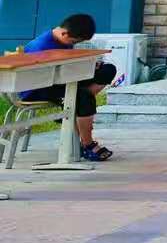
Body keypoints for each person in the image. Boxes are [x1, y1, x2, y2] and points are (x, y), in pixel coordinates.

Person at [19, 13, 116, 162]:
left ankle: (74, 110)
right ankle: (87, 144)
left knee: (107, 70)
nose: (74, 44)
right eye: (75, 41)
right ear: (64, 33)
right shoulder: (41, 47)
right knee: (83, 96)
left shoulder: (63, 40)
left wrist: (90, 66)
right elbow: (44, 77)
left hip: (63, 79)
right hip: (39, 88)